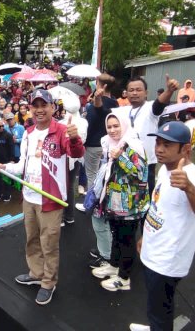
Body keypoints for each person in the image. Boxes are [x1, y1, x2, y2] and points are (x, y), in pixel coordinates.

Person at [0, 88, 84, 305]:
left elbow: (76, 154)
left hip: (51, 200)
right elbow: (22, 165)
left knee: (49, 243)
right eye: (35, 105)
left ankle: (49, 282)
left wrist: (75, 138)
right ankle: (36, 274)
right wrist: (3, 166)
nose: (40, 109)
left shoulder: (61, 131)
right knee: (32, 239)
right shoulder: (28, 133)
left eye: (44, 105)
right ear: (30, 109)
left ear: (52, 107)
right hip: (29, 197)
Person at [130, 121, 195, 331]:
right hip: (154, 250)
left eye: (167, 145)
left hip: (167, 261)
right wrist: (145, 237)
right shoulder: (165, 170)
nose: (159, 149)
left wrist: (189, 188)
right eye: (158, 142)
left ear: (186, 149)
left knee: (160, 311)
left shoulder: (191, 176)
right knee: (156, 305)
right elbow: (159, 207)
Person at [91, 114, 149, 292]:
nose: (112, 130)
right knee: (116, 236)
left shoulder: (133, 146)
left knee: (127, 241)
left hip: (131, 206)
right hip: (115, 204)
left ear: (124, 126)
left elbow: (141, 174)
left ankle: (124, 277)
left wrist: (120, 158)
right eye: (109, 126)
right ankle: (114, 266)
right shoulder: (111, 144)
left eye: (116, 126)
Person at [80, 74, 119, 267]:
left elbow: (97, 106)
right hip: (107, 148)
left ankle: (92, 202)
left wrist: (95, 98)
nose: (112, 127)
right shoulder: (117, 105)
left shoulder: (98, 103)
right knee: (99, 178)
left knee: (93, 177)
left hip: (95, 146)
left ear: (100, 85)